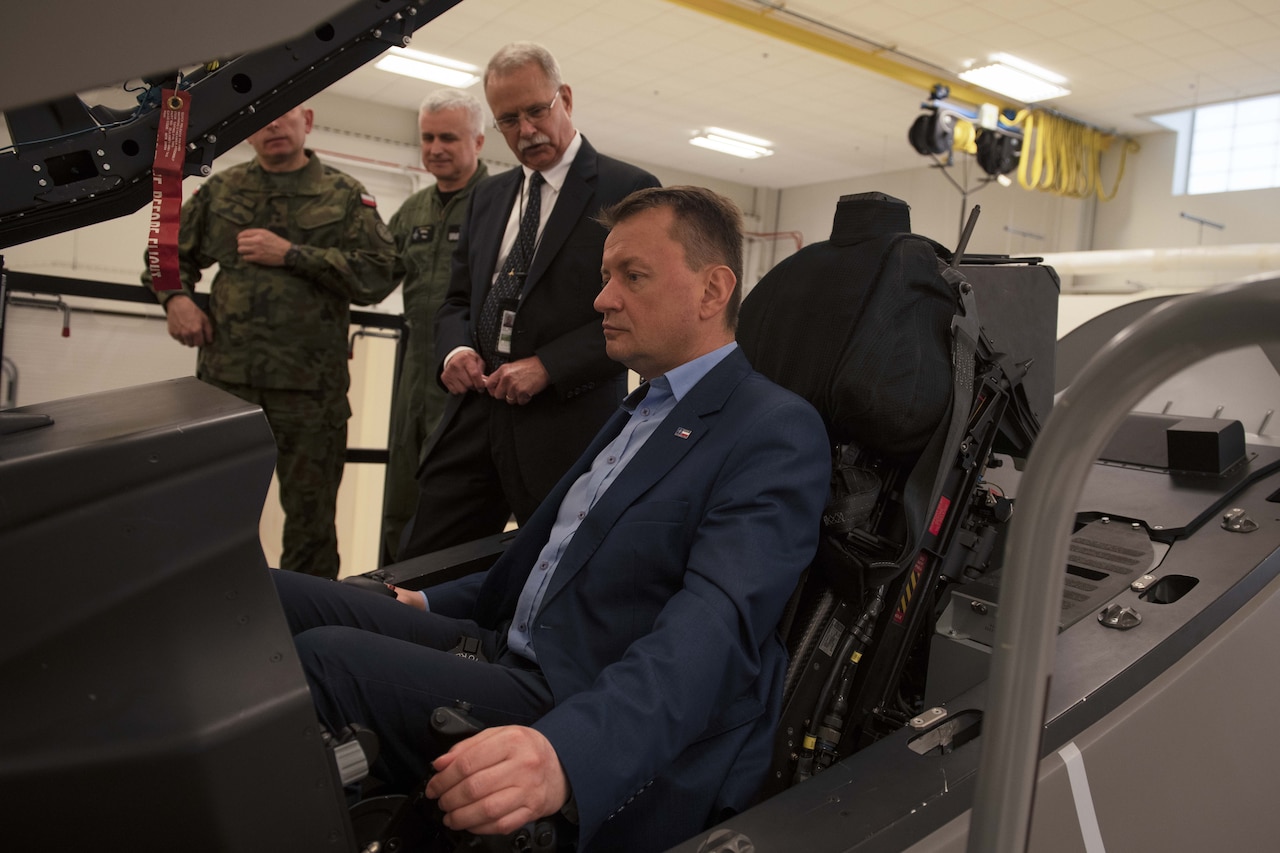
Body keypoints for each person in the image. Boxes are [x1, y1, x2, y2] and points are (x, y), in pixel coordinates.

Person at [273, 186, 832, 851]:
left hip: (576, 696)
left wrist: (567, 754)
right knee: (270, 596)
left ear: (713, 291)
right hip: (505, 642)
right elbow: (550, 562)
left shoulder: (773, 430)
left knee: (326, 662)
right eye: (605, 276)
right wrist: (423, 600)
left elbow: (713, 630)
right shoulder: (641, 410)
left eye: (633, 276)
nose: (603, 299)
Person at [395, 41, 661, 560]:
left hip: (562, 423)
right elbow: (454, 301)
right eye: (509, 120)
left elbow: (638, 310)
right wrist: (455, 353)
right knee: (420, 564)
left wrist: (548, 366)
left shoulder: (627, 190)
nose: (527, 130)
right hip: (473, 412)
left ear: (564, 97)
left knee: (548, 573)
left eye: (537, 111)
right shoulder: (487, 197)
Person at [142, 104, 397, 578]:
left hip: (310, 395)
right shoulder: (221, 190)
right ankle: (213, 613)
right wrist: (175, 299)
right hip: (226, 387)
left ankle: (305, 630)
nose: (273, 125)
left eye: (284, 115)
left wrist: (294, 255)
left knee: (310, 523)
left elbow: (378, 274)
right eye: (260, 119)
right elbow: (165, 254)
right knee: (213, 512)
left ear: (309, 121)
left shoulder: (343, 195)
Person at [382, 89, 490, 563]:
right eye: (427, 138)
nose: (436, 148)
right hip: (413, 376)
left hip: (469, 380)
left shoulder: (499, 206)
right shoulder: (413, 211)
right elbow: (371, 274)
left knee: (450, 509)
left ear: (479, 141)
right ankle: (380, 600)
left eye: (449, 137)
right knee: (400, 496)